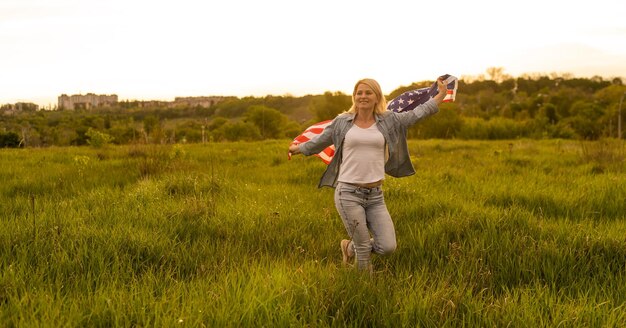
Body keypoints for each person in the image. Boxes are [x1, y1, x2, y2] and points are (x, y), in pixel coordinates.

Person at [289, 77, 448, 274]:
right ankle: (363, 288)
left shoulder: (389, 120)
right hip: (347, 194)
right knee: (364, 249)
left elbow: (416, 114)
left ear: (377, 97)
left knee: (388, 246)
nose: (363, 96)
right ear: (354, 97)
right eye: (359, 93)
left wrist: (440, 95)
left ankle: (348, 248)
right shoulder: (342, 122)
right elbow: (320, 141)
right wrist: (298, 148)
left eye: (368, 93)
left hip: (375, 196)